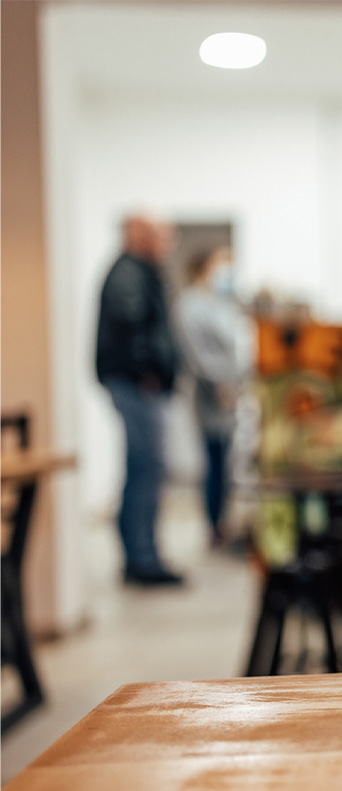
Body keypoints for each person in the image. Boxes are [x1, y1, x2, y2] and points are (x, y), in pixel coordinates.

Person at [95, 212, 184, 586]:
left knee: (144, 467)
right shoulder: (129, 273)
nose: (166, 242)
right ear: (138, 234)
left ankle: (143, 554)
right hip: (136, 383)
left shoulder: (138, 271)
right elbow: (133, 328)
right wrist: (148, 371)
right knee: (146, 468)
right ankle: (142, 558)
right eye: (159, 234)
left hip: (138, 382)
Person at [175, 245, 253, 546]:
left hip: (232, 391)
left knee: (229, 460)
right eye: (222, 263)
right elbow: (195, 353)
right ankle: (214, 526)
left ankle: (226, 522)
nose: (228, 270)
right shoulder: (190, 304)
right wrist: (220, 384)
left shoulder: (222, 303)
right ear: (204, 266)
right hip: (212, 393)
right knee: (214, 459)